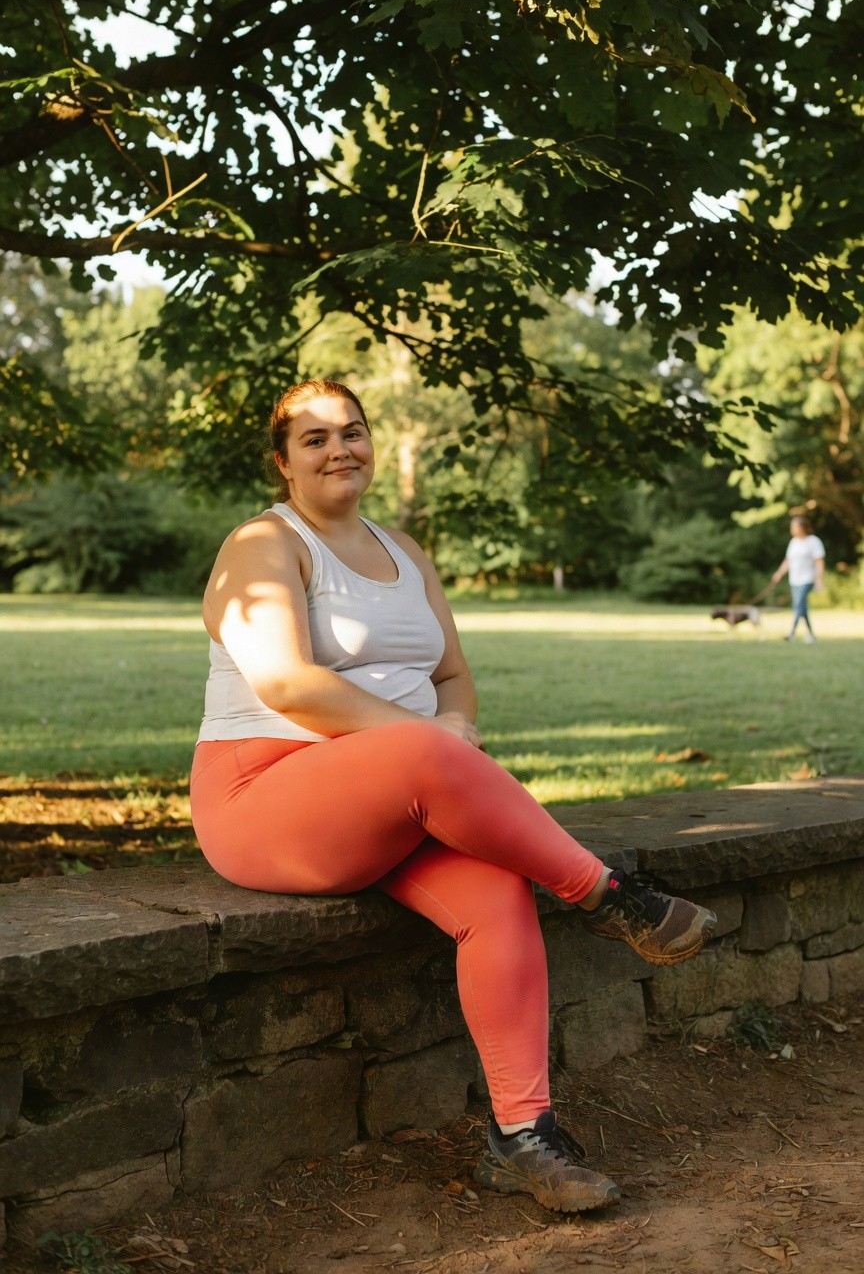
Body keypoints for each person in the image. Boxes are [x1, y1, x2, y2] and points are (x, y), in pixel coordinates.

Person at [190, 378, 717, 1215]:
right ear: (282, 462)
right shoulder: (263, 545)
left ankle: (521, 1136)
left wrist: (453, 726)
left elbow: (452, 675)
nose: (340, 450)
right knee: (414, 745)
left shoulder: (403, 552)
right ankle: (607, 896)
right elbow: (288, 683)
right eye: (315, 439)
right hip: (266, 795)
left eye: (353, 432)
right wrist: (432, 740)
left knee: (497, 886)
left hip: (397, 797)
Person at [770, 516, 826, 643]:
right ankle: (810, 634)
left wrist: (819, 580)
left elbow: (819, 563)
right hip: (794, 580)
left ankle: (791, 633)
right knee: (801, 607)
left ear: (802, 527)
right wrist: (779, 573)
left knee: (798, 604)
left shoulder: (813, 541)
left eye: (794, 526)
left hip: (807, 579)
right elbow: (788, 561)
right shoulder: (794, 542)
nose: (792, 529)